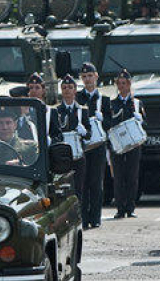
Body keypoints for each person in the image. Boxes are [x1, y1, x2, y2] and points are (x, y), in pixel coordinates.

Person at [77, 62, 112, 229]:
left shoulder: (104, 100)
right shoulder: (78, 98)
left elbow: (111, 123)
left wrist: (103, 118)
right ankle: (84, 216)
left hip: (98, 145)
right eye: (84, 77)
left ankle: (95, 217)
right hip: (83, 145)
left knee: (96, 182)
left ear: (96, 76)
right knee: (83, 182)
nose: (87, 79)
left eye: (90, 76)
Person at [109, 69, 145, 219]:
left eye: (125, 83)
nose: (122, 86)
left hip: (133, 144)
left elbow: (145, 123)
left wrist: (141, 119)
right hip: (117, 143)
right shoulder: (112, 103)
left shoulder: (137, 103)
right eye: (119, 83)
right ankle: (120, 207)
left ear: (130, 84)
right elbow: (109, 123)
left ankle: (130, 207)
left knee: (131, 176)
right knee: (118, 176)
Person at [57, 75, 91, 215]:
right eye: (64, 88)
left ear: (75, 90)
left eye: (70, 87)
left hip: (78, 155)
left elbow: (89, 134)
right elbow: (54, 131)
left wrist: (84, 132)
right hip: (62, 156)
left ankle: (79, 216)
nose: (67, 90)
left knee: (78, 188)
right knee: (63, 189)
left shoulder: (82, 110)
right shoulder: (56, 111)